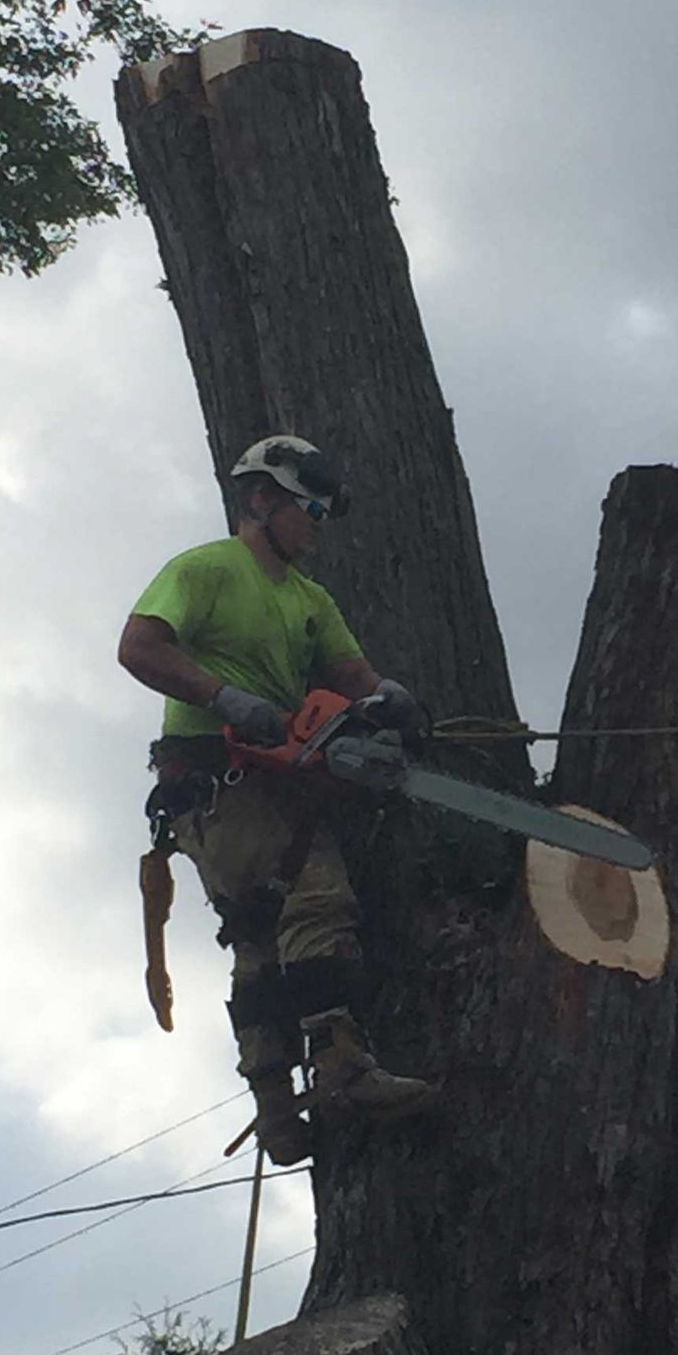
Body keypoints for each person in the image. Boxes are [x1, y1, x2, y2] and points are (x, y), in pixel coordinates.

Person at [118, 434, 432, 1166]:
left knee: (258, 936)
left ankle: (276, 1109)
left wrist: (392, 700)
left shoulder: (309, 598)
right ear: (264, 500)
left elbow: (354, 674)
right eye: (308, 508)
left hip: (274, 779)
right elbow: (140, 646)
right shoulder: (205, 570)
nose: (317, 523)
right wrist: (223, 696)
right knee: (317, 898)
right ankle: (341, 1064)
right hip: (217, 777)